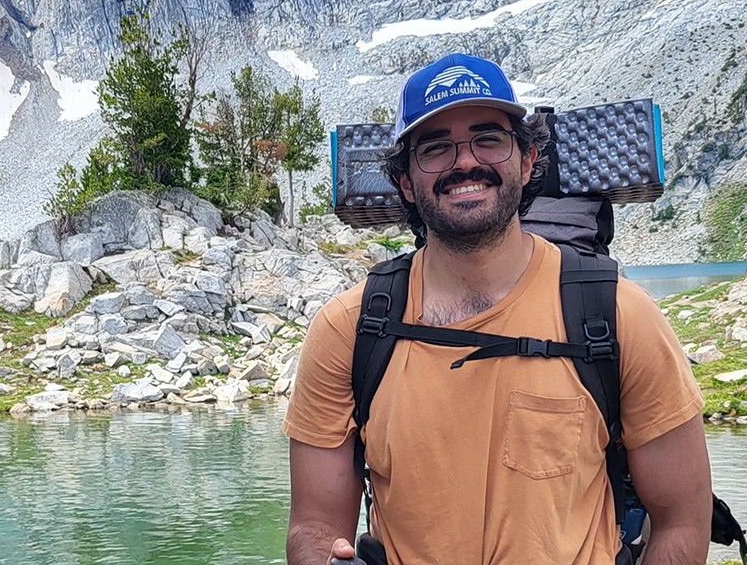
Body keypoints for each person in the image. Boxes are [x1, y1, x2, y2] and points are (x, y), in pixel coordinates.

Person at [283, 52, 712, 565]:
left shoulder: (619, 315)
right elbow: (313, 526)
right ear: (405, 183)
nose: (465, 162)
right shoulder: (348, 332)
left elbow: (683, 520)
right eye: (436, 147)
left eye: (488, 138)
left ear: (528, 160)